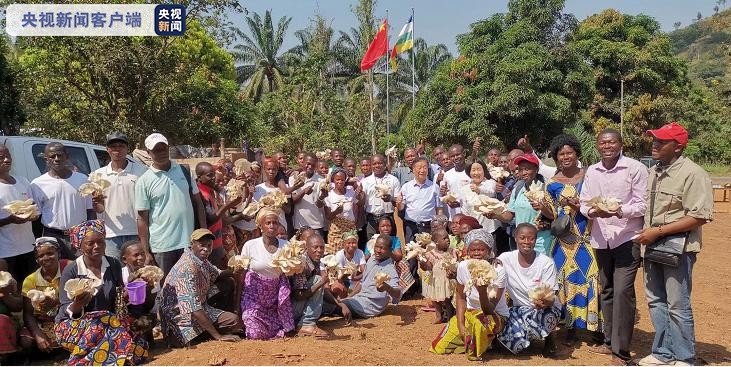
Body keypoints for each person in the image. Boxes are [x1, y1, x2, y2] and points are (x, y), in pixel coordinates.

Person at [635, 122, 713, 366]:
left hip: (678, 249)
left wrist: (657, 232)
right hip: (652, 247)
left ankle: (683, 356)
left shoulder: (693, 173)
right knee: (656, 301)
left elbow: (699, 216)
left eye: (661, 141)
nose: (654, 144)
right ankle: (662, 353)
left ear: (677, 147)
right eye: (654, 140)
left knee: (678, 304)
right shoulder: (654, 172)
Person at [579, 128, 648, 364]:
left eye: (611, 142)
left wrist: (620, 211)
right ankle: (609, 341)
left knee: (622, 292)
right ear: (598, 146)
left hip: (627, 237)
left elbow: (642, 204)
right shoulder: (592, 171)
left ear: (620, 144)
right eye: (603, 142)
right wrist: (592, 210)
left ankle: (621, 351)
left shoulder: (635, 168)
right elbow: (583, 202)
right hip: (601, 238)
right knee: (607, 289)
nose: (607, 146)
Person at [54, 220, 150, 365]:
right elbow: (65, 309)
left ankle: (102, 358)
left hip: (108, 323)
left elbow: (119, 299)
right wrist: (78, 304)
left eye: (100, 241)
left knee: (139, 347)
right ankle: (81, 362)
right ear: (79, 246)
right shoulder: (72, 270)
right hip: (73, 326)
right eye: (90, 243)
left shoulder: (113, 264)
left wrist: (133, 287)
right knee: (103, 329)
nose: (97, 246)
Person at [540, 134, 602, 342]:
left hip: (586, 239)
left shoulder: (590, 177)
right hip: (563, 242)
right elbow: (551, 214)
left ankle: (594, 329)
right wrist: (543, 210)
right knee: (563, 281)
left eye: (569, 152)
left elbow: (598, 205)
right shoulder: (551, 183)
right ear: (556, 157)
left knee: (590, 278)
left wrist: (580, 208)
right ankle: (569, 327)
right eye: (561, 153)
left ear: (577, 154)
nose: (565, 156)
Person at [429, 229, 508, 361]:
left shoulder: (498, 270)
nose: (477, 253)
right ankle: (480, 340)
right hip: (470, 313)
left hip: (494, 315)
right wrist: (460, 324)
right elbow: (461, 297)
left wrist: (482, 291)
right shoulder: (463, 266)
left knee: (478, 324)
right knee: (439, 347)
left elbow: (490, 309)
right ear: (468, 251)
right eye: (473, 250)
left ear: (489, 250)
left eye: (481, 250)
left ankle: (481, 342)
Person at [135, 133, 206, 276]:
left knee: (190, 286)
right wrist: (146, 251)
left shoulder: (185, 171)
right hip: (162, 247)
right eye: (156, 150)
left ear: (168, 148)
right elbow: (142, 218)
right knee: (168, 290)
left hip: (188, 243)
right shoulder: (143, 181)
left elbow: (198, 204)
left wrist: (204, 234)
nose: (161, 153)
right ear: (148, 153)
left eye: (163, 148)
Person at [158, 229, 243, 347]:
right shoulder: (187, 268)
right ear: (192, 244)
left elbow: (217, 273)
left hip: (200, 305)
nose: (206, 249)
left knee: (227, 284)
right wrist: (218, 336)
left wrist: (234, 270)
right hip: (179, 317)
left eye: (209, 245)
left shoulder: (199, 258)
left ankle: (206, 330)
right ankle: (201, 333)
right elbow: (194, 309)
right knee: (232, 322)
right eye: (202, 245)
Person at [497, 223, 561, 357]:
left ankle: (550, 337)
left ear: (536, 240)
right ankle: (526, 336)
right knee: (515, 347)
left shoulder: (546, 262)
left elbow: (551, 296)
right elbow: (492, 268)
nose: (526, 242)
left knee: (544, 317)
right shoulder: (505, 259)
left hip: (545, 308)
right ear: (515, 238)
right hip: (519, 309)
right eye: (522, 238)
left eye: (531, 238)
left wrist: (543, 304)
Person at [31, 142, 98, 259]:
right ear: (46, 160)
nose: (56, 159)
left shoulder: (82, 179)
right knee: (55, 273)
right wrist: (38, 241)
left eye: (60, 155)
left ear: (67, 157)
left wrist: (90, 234)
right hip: (51, 236)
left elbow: (90, 210)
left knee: (81, 271)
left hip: (79, 235)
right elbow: (36, 217)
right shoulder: (37, 184)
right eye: (52, 156)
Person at [240, 208, 294, 340]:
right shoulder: (250, 245)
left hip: (275, 300)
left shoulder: (286, 245)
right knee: (255, 334)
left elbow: (290, 272)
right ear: (260, 225)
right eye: (268, 223)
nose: (272, 226)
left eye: (275, 223)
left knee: (283, 330)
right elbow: (241, 275)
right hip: (252, 298)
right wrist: (237, 307)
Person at [92, 133, 148, 260]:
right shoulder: (98, 175)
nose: (117, 149)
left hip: (136, 232)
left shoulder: (141, 171)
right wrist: (97, 203)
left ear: (127, 148)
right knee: (115, 272)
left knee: (138, 272)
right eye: (113, 146)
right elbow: (100, 209)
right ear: (107, 150)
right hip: (111, 234)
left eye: (121, 146)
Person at [486, 153, 553, 255]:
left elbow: (554, 215)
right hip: (522, 242)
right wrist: (495, 215)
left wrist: (542, 208)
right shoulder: (518, 188)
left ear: (536, 169)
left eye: (527, 169)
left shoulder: (546, 187)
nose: (523, 172)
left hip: (542, 242)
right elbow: (510, 216)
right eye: (521, 170)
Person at [21, 238, 69, 352]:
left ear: (58, 253)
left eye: (50, 253)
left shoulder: (68, 269)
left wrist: (57, 301)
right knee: (26, 342)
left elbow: (77, 298)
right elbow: (28, 314)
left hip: (65, 318)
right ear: (37, 260)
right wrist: (38, 335)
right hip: (41, 320)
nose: (46, 258)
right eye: (41, 256)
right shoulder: (30, 280)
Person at [335, 235, 401, 319]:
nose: (378, 250)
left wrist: (387, 287)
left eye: (382, 248)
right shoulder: (372, 259)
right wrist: (349, 297)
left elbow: (398, 294)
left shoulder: (390, 270)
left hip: (368, 307)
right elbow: (362, 283)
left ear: (390, 251)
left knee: (331, 305)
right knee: (333, 303)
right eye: (376, 247)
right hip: (359, 299)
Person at [195, 162, 244, 268]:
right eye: (209, 175)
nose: (213, 178)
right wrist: (227, 205)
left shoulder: (211, 191)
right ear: (199, 177)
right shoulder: (202, 194)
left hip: (216, 242)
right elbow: (210, 219)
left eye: (213, 174)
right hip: (208, 244)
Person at [0, 144, 37, 282]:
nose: (6, 160)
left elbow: (33, 207)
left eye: (8, 156)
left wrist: (32, 215)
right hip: (5, 252)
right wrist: (10, 219)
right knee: (11, 289)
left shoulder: (23, 181)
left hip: (28, 247)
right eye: (1, 157)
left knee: (30, 289)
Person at [290, 234, 329, 337]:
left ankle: (305, 322)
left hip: (297, 308)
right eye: (315, 247)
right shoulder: (302, 265)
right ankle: (306, 324)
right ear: (307, 248)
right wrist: (321, 283)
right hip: (291, 310)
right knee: (317, 280)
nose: (319, 250)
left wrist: (340, 304)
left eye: (321, 247)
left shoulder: (316, 262)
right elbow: (298, 295)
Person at [397, 157, 444, 243]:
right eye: (419, 168)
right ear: (413, 169)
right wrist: (399, 203)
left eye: (425, 167)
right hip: (411, 227)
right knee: (411, 253)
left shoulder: (434, 187)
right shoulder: (406, 187)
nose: (422, 170)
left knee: (428, 252)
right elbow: (401, 208)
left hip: (428, 226)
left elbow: (439, 209)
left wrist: (439, 225)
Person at [419, 228, 456, 324]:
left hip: (448, 280)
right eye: (444, 238)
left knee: (448, 300)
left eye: (448, 237)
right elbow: (428, 267)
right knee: (436, 300)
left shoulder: (452, 252)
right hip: (435, 280)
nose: (447, 240)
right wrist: (423, 262)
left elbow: (455, 264)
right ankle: (439, 316)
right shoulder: (431, 253)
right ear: (436, 242)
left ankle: (450, 317)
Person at [361, 154, 400, 238]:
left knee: (389, 245)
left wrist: (390, 199)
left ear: (385, 164)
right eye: (374, 163)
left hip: (388, 218)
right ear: (371, 165)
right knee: (372, 246)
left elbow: (398, 201)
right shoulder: (365, 181)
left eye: (380, 163)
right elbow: (362, 201)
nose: (377, 166)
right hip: (372, 219)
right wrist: (359, 194)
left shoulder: (393, 180)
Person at [457, 160, 499, 234]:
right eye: (473, 170)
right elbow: (464, 210)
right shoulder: (464, 189)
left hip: (492, 229)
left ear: (484, 170)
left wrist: (479, 190)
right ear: (469, 172)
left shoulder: (491, 183)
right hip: (474, 230)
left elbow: (492, 192)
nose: (476, 173)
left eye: (479, 169)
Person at [324, 168, 360, 253]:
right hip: (336, 229)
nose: (340, 182)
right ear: (333, 180)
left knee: (350, 252)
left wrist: (355, 220)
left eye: (342, 179)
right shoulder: (328, 195)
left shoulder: (351, 192)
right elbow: (328, 217)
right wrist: (336, 212)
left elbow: (359, 205)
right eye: (337, 179)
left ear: (345, 180)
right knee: (335, 255)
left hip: (350, 228)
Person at [290, 154, 326, 237]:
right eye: (308, 163)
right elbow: (293, 200)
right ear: (303, 163)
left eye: (313, 165)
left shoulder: (321, 180)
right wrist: (303, 192)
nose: (309, 166)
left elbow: (320, 205)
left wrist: (322, 197)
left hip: (316, 225)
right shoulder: (294, 178)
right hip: (299, 224)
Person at [252, 158, 291, 232]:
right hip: (264, 228)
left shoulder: (285, 188)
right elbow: (255, 211)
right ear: (264, 170)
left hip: (281, 227)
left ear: (277, 171)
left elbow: (288, 210)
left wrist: (278, 202)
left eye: (274, 169)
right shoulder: (258, 189)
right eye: (268, 169)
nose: (271, 172)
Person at [327, 231, 366, 300]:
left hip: (354, 280)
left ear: (357, 244)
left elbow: (365, 271)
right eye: (348, 243)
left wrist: (355, 278)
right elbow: (339, 276)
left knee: (364, 283)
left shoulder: (360, 252)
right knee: (339, 287)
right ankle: (343, 301)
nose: (351, 245)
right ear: (343, 244)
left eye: (354, 243)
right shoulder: (340, 255)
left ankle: (348, 298)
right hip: (341, 279)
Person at [441, 144, 471, 220]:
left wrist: (460, 204)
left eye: (457, 155)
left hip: (470, 216)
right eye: (452, 156)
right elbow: (445, 194)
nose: (455, 158)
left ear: (464, 153)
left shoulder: (472, 172)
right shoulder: (447, 175)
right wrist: (446, 198)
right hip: (453, 217)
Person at [0, 259, 23, 356]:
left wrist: (5, 293)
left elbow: (17, 307)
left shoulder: (9, 284)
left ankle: (6, 356)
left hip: (7, 323)